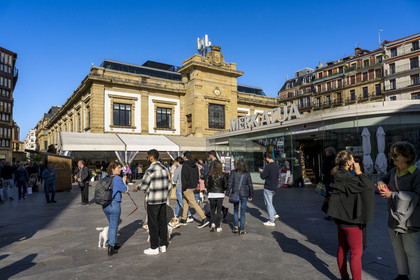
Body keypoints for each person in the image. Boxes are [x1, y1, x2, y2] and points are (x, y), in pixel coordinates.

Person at [324, 150, 375, 280]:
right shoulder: (349, 177)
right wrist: (359, 172)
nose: (354, 162)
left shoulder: (337, 174)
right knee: (356, 253)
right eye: (352, 160)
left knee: (342, 248)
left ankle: (344, 276)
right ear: (348, 162)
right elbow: (369, 186)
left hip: (339, 219)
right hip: (352, 220)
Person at [377, 142, 420, 280]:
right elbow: (382, 178)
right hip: (393, 216)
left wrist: (392, 195)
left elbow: (418, 196)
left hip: (410, 219)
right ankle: (402, 275)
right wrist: (380, 183)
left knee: (411, 251)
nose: (392, 157)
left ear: (406, 156)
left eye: (396, 155)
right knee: (397, 249)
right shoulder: (394, 171)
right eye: (392, 154)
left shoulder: (416, 174)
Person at [134, 149, 172, 255]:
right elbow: (169, 185)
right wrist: (165, 195)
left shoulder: (150, 169)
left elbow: (144, 185)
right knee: (162, 222)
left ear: (151, 157)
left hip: (153, 200)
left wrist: (137, 187)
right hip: (163, 200)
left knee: (153, 223)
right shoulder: (164, 168)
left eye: (147, 157)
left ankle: (154, 247)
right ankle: (163, 245)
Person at [102, 161, 128, 256]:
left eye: (120, 167)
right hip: (114, 204)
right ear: (113, 169)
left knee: (113, 224)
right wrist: (124, 181)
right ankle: (111, 247)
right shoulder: (117, 179)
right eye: (118, 167)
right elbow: (125, 190)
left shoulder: (104, 177)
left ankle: (113, 242)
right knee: (113, 226)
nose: (120, 169)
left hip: (105, 205)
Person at [180, 151, 209, 228]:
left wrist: (183, 188)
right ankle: (183, 218)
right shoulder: (195, 165)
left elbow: (184, 177)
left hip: (187, 187)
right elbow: (197, 175)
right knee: (185, 202)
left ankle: (204, 218)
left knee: (193, 203)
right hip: (193, 186)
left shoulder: (185, 165)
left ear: (185, 157)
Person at [225, 159, 254, 236]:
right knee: (243, 212)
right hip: (244, 194)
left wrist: (227, 193)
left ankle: (235, 227)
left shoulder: (233, 172)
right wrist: (251, 195)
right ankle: (241, 230)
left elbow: (230, 184)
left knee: (235, 210)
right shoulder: (247, 173)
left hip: (236, 194)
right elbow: (250, 185)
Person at [206, 161, 228, 232]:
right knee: (218, 211)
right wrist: (222, 189)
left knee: (212, 210)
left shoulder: (209, 175)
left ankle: (212, 224)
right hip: (220, 194)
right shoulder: (223, 175)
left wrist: (209, 190)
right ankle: (218, 226)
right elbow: (225, 185)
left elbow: (207, 185)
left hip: (211, 194)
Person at [259, 151, 280, 226]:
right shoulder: (276, 165)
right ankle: (274, 214)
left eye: (265, 158)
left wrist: (261, 172)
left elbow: (263, 177)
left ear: (267, 158)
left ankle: (271, 221)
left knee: (268, 204)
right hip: (274, 187)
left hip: (268, 187)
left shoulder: (268, 166)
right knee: (269, 203)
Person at [171, 157, 193, 222]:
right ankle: (175, 215)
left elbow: (174, 180)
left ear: (178, 162)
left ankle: (189, 215)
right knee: (179, 202)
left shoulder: (177, 170)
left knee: (182, 202)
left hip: (179, 187)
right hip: (185, 187)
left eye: (175, 162)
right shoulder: (186, 168)